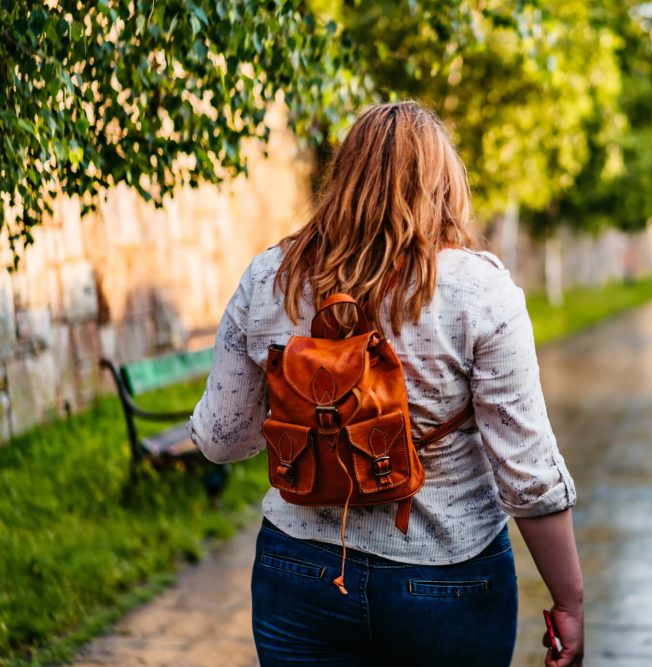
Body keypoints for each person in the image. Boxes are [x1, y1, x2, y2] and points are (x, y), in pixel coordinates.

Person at [188, 101, 584, 666]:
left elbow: (223, 438)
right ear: (443, 187)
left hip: (298, 570)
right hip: (448, 578)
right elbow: (528, 476)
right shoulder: (478, 291)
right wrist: (569, 600)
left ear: (343, 179)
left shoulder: (270, 277)